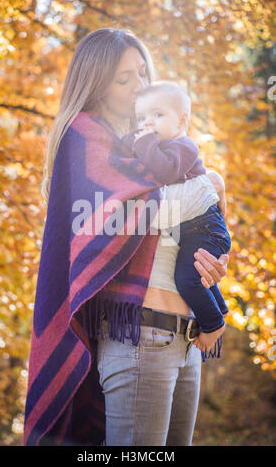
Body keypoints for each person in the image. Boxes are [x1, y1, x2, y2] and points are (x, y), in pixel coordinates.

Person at [24, 28, 230, 447]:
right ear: (97, 84)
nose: (140, 86)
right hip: (138, 336)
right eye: (124, 79)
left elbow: (190, 220)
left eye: (142, 72)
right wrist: (213, 184)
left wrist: (216, 258)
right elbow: (135, 216)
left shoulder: (157, 146)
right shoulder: (84, 139)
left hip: (187, 338)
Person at [121, 81, 231, 357]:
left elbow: (166, 172)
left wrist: (142, 141)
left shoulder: (184, 146)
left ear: (182, 121)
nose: (149, 124)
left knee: (187, 278)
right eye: (142, 118)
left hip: (206, 228)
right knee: (192, 271)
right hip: (192, 230)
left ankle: (213, 323)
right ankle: (220, 309)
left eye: (158, 115)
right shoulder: (154, 144)